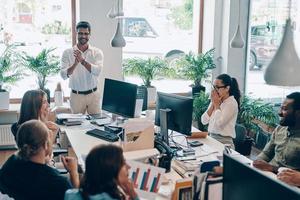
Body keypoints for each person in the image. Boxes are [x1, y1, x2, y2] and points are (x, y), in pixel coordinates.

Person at [0, 120, 79, 200]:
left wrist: (45, 161)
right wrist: (74, 173)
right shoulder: (58, 183)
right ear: (45, 145)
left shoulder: (10, 164)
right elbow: (76, 198)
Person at [64, 144, 139, 200]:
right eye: (123, 163)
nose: (128, 166)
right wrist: (134, 195)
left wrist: (73, 173)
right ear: (110, 170)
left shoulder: (70, 195)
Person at [60, 21, 103, 114]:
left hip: (93, 95)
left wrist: (83, 61)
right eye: (80, 33)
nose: (83, 36)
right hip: (76, 96)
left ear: (89, 34)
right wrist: (75, 64)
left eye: (86, 33)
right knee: (76, 126)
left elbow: (97, 71)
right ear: (76, 33)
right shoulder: (67, 53)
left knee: (97, 124)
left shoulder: (97, 52)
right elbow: (63, 75)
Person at [253, 92, 300, 173]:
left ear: (298, 113)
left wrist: (272, 168)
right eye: (281, 108)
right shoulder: (279, 129)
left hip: (289, 182)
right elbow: (266, 154)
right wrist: (256, 162)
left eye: (284, 109)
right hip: (269, 175)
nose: (279, 113)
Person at [201, 73, 241, 147]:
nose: (214, 90)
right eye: (213, 87)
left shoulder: (231, 103)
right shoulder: (216, 100)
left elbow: (219, 124)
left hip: (224, 142)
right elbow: (203, 121)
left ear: (227, 88)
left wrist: (216, 105)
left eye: (217, 87)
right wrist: (213, 104)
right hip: (211, 138)